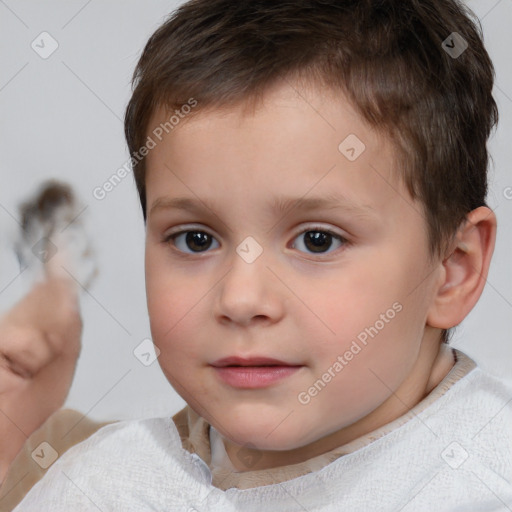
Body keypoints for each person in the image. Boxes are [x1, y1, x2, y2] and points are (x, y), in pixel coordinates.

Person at [10, 0, 512, 510]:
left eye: (318, 240)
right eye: (196, 239)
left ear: (453, 270)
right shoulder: (98, 488)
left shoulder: (483, 480)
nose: (241, 298)